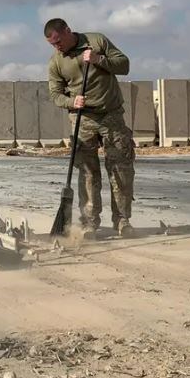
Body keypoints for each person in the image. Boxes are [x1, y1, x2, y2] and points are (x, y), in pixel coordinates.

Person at [44, 18, 135, 239]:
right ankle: (89, 223)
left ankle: (122, 220)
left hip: (111, 115)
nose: (58, 47)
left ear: (67, 31)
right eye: (52, 45)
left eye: (58, 42)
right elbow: (55, 94)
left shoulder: (97, 41)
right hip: (82, 119)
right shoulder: (56, 62)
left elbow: (124, 65)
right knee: (87, 173)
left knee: (120, 169)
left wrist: (99, 60)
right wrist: (71, 102)